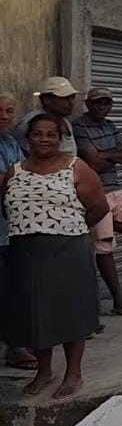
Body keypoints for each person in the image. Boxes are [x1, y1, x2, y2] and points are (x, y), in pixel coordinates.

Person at [2, 114, 108, 399]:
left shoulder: (76, 168)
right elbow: (6, 208)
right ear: (28, 138)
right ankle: (44, 372)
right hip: (25, 253)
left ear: (60, 139)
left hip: (68, 250)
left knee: (71, 311)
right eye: (38, 134)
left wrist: (71, 230)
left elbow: (99, 207)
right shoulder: (14, 172)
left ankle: (73, 373)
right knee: (34, 314)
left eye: (51, 134)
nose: (44, 139)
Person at [72, 87, 122, 317]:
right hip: (96, 192)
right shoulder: (79, 126)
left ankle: (101, 224)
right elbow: (93, 162)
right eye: (98, 103)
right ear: (88, 104)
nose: (102, 107)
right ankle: (119, 299)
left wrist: (104, 154)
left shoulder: (110, 126)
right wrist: (112, 154)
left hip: (115, 190)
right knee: (105, 247)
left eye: (107, 103)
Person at [0, 92, 38, 372]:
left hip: (12, 229)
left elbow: (28, 173)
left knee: (14, 288)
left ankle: (17, 343)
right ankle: (16, 346)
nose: (4, 116)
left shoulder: (11, 142)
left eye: (9, 111)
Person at [14, 77, 79, 155]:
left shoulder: (66, 122)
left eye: (72, 98)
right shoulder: (31, 122)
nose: (71, 103)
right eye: (65, 98)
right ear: (46, 100)